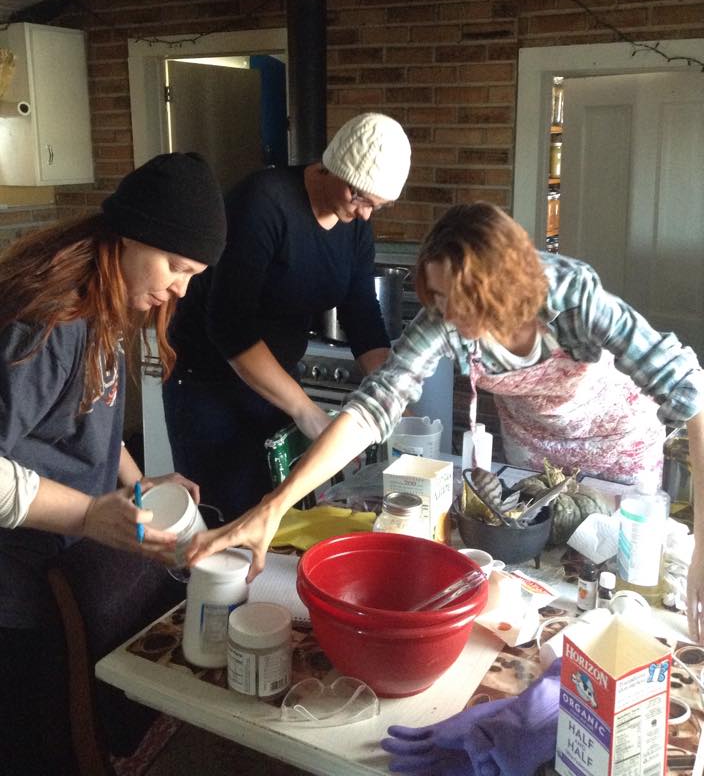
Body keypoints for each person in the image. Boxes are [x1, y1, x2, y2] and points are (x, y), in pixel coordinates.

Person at [184, 201, 704, 642]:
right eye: (437, 299)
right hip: (533, 452)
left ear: (503, 289)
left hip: (618, 443)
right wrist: (273, 506)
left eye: (458, 303)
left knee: (624, 584)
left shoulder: (573, 297)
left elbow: (691, 389)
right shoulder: (444, 313)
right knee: (550, 583)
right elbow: (374, 405)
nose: (445, 316)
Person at [0, 151, 227, 775]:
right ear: (132, 234)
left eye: (193, 274)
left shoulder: (105, 302)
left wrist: (139, 480)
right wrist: (86, 514)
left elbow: (87, 422)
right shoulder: (47, 324)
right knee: (35, 748)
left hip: (66, 569)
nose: (181, 288)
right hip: (16, 587)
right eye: (176, 267)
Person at [163, 112, 412, 520]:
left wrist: (393, 392)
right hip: (210, 386)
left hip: (277, 380)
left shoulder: (354, 225)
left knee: (285, 517)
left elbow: (362, 315)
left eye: (377, 206)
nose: (366, 213)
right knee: (227, 520)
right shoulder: (264, 202)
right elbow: (229, 327)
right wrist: (307, 411)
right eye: (360, 198)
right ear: (334, 165)